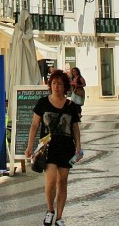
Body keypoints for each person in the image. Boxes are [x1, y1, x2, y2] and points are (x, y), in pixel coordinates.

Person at [25, 70, 83, 226]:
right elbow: (35, 125)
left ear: (65, 87)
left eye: (60, 84)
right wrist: (30, 146)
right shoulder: (42, 102)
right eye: (54, 83)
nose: (57, 86)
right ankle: (50, 210)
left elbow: (75, 128)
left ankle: (59, 217)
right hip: (48, 148)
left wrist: (78, 147)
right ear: (50, 85)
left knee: (62, 181)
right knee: (51, 181)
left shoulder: (71, 105)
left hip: (66, 147)